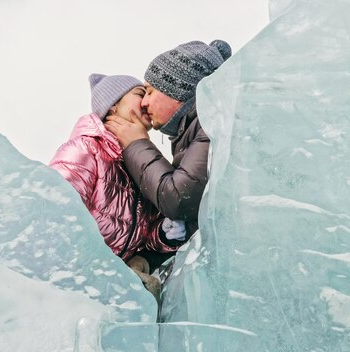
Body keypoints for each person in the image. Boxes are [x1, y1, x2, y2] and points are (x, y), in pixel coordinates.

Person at [49, 73, 186, 300]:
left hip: (114, 291)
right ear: (112, 106)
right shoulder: (85, 148)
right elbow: (56, 217)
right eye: (139, 94)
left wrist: (163, 233)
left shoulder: (137, 161)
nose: (145, 102)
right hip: (78, 287)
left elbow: (143, 234)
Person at [104, 40, 232, 272]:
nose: (144, 102)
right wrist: (148, 259)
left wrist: (136, 143)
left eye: (150, 92)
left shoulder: (210, 123)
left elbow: (180, 200)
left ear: (178, 90)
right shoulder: (190, 135)